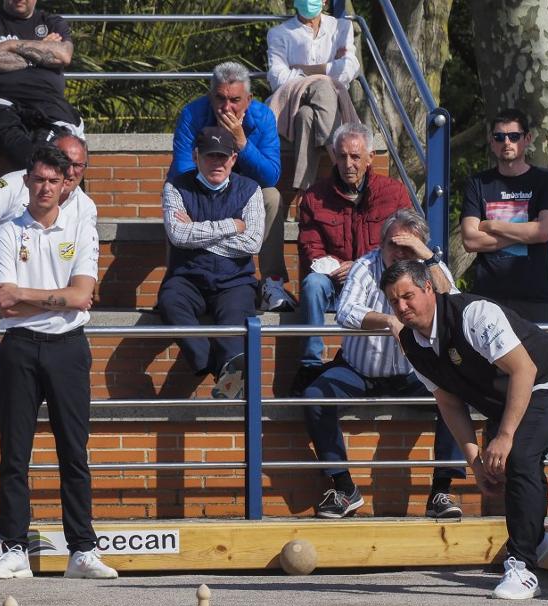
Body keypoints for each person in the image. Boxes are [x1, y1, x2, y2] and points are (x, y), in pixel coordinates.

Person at [382, 260, 548, 599]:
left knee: (519, 454)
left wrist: (504, 436)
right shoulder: (412, 343)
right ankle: (533, 540)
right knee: (509, 464)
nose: (402, 307)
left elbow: (523, 370)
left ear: (428, 288)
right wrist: (474, 461)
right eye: (393, 301)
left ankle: (522, 567)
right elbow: (449, 403)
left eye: (408, 296)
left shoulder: (473, 315)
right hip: (505, 394)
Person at [0, 144, 115, 580]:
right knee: (14, 453)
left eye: (54, 181)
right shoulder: (6, 231)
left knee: (73, 452)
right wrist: (56, 298)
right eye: (38, 179)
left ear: (65, 185)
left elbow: (81, 296)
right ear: (27, 181)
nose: (45, 187)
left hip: (68, 348)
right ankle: (14, 549)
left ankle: (82, 550)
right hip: (19, 347)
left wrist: (26, 294)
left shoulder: (81, 229)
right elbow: (3, 303)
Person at [302, 209, 465, 519]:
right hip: (359, 371)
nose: (400, 252)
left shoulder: (429, 266)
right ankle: (344, 489)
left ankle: (441, 492)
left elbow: (456, 305)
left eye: (408, 245)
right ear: (381, 244)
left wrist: (427, 257)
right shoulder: (366, 266)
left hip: (414, 374)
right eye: (394, 244)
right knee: (314, 397)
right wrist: (388, 321)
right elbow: (345, 312)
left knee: (456, 393)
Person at [0, 134, 95, 386]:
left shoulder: (86, 207)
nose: (71, 171)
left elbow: (84, 269)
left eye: (78, 165)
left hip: (47, 281)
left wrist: (74, 294)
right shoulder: (15, 184)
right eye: (65, 161)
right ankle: (3, 373)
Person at [294, 122, 412, 392]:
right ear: (334, 156)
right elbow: (310, 247)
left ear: (370, 157)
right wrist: (334, 266)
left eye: (356, 157)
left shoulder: (393, 193)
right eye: (342, 156)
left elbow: (405, 240)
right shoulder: (315, 197)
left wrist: (359, 266)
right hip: (334, 280)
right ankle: (310, 364)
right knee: (312, 284)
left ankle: (404, 365)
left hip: (377, 282)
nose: (348, 164)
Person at [168, 62, 287, 310]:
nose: (227, 107)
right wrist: (218, 193)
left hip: (245, 193)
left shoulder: (263, 117)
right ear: (211, 96)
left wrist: (242, 144)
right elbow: (183, 170)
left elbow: (271, 176)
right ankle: (177, 280)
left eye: (235, 100)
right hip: (202, 189)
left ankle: (271, 283)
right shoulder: (192, 114)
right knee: (177, 193)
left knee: (272, 196)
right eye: (220, 98)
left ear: (249, 99)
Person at [159, 127, 264, 400]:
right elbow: (177, 235)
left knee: (233, 326)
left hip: (234, 281)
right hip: (187, 278)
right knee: (170, 302)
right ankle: (213, 364)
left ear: (233, 158)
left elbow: (252, 243)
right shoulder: (175, 187)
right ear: (196, 156)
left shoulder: (251, 190)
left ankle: (230, 380)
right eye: (209, 156)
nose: (216, 162)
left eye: (222, 156)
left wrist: (196, 232)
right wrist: (231, 226)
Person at [460, 107, 548, 322]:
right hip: (487, 300)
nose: (507, 142)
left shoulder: (547, 180)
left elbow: (543, 232)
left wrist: (492, 226)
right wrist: (526, 232)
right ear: (491, 142)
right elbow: (470, 240)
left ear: (527, 139)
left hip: (535, 299)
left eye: (514, 136)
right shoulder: (477, 183)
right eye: (499, 137)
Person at [0, 0, 82, 170]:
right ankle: (36, 171)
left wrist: (9, 45)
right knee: (8, 134)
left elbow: (64, 56)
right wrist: (40, 52)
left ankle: (38, 175)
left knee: (58, 144)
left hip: (48, 104)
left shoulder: (52, 22)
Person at [265, 0, 360, 205]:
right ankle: (339, 163)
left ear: (325, 0)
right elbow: (277, 78)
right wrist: (328, 70)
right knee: (323, 85)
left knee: (306, 115)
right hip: (293, 101)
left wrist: (303, 70)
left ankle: (303, 193)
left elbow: (350, 68)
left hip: (325, 103)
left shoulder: (341, 27)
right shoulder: (279, 33)